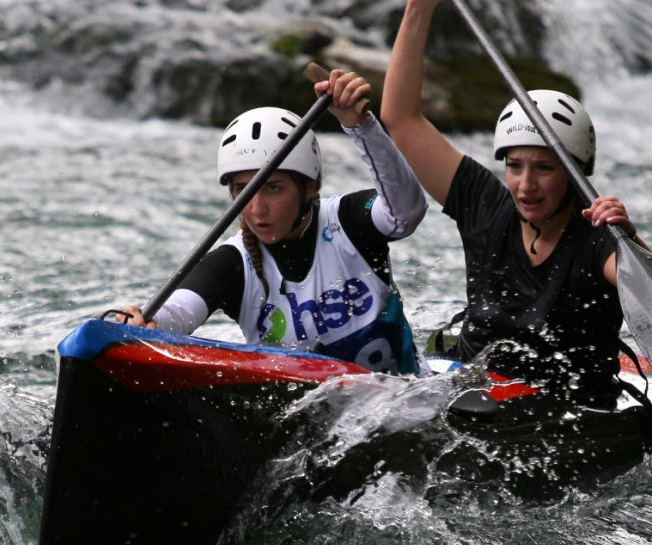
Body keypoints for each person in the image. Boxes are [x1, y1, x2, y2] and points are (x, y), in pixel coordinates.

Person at [381, 0, 651, 406]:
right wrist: (419, 8)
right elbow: (401, 118)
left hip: (568, 412)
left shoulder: (599, 239)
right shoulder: (485, 204)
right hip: (472, 393)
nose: (526, 185)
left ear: (577, 170)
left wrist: (631, 242)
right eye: (514, 166)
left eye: (544, 168)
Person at [117, 69, 428, 375]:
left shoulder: (348, 220)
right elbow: (178, 311)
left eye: (273, 188)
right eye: (243, 190)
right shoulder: (233, 262)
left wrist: (361, 126)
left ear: (309, 186)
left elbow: (406, 213)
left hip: (403, 398)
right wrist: (149, 323)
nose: (256, 208)